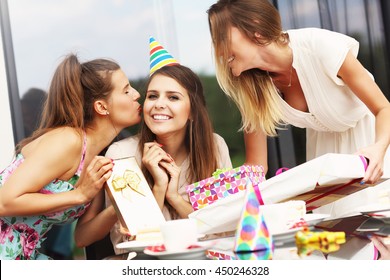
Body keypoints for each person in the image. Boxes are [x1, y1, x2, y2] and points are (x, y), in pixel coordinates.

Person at [74, 37, 232, 256]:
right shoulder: (122, 154)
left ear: (193, 111)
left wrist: (174, 197)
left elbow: (223, 232)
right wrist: (158, 188)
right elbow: (133, 244)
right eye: (152, 96)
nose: (159, 104)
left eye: (173, 97)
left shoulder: (215, 146)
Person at [207, 0, 390, 183]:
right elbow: (257, 166)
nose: (219, 52)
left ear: (255, 27)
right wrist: (217, 189)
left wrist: (378, 148)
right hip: (325, 159)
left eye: (221, 38)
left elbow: (384, 109)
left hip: (372, 146)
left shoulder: (320, 46)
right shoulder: (251, 87)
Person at [0, 53, 142, 260]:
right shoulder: (68, 140)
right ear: (102, 107)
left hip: (21, 254)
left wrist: (120, 205)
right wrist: (79, 195)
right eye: (126, 90)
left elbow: (82, 237)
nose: (136, 94)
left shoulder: (98, 157)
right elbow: (4, 201)